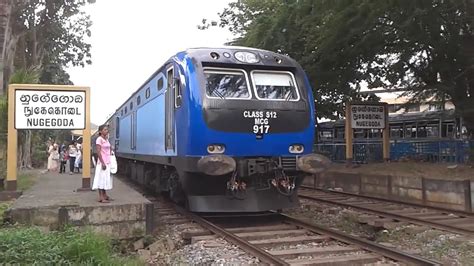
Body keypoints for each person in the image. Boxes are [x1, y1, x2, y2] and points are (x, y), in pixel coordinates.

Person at [92, 125, 113, 203]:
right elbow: (98, 152)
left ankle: (105, 195)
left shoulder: (106, 140)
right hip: (102, 162)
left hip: (107, 161)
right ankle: (101, 197)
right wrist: (102, 162)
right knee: (101, 179)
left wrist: (111, 148)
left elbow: (108, 150)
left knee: (105, 179)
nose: (107, 131)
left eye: (107, 129)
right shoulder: (99, 139)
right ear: (100, 131)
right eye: (105, 130)